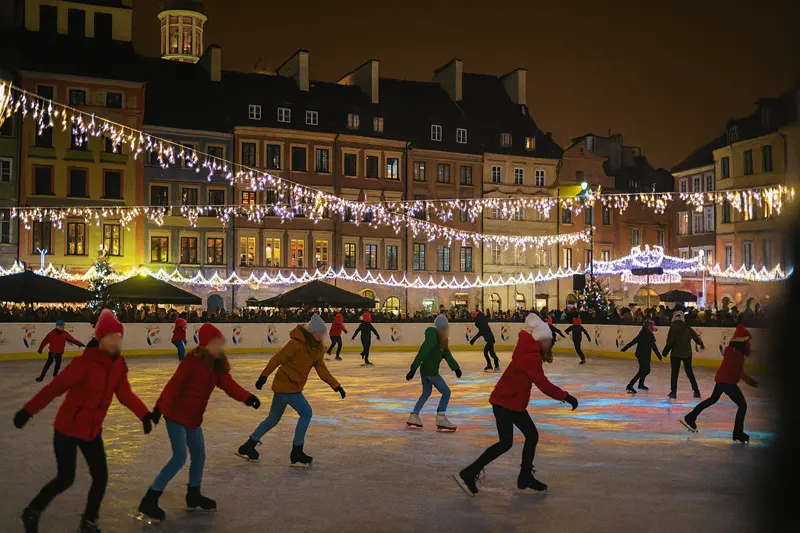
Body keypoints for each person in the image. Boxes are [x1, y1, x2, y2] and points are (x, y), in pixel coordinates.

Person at [13, 309, 154, 533]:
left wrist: (144, 415)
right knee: (65, 478)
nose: (116, 341)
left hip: (92, 430)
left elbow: (125, 394)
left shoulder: (118, 365)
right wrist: (28, 411)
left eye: (119, 336)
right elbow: (54, 389)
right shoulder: (85, 363)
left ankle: (89, 521)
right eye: (111, 336)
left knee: (101, 477)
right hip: (67, 428)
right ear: (100, 339)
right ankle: (32, 511)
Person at [136, 323, 261, 523]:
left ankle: (193, 494)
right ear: (205, 344)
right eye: (216, 343)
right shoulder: (191, 362)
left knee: (199, 456)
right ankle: (150, 499)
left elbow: (229, 385)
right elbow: (173, 385)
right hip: (175, 415)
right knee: (179, 457)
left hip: (193, 418)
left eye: (221, 343)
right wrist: (160, 407)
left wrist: (247, 397)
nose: (220, 347)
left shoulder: (216, 365)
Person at [455, 313, 578, 496]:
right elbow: (543, 383)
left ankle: (523, 476)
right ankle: (472, 472)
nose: (551, 344)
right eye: (550, 341)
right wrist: (566, 396)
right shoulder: (530, 356)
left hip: (512, 402)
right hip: (506, 402)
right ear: (542, 339)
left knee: (528, 436)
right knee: (508, 442)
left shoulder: (529, 351)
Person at [237, 314, 346, 466]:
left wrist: (336, 386)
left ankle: (249, 445)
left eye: (324, 333)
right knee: (306, 412)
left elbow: (322, 371)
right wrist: (263, 376)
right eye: (321, 333)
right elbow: (277, 359)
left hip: (289, 387)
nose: (323, 335)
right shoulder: (296, 344)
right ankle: (297, 450)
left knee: (273, 419)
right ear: (313, 332)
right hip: (287, 386)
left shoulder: (316, 349)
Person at [680, 325, 758, 444]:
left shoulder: (731, 350)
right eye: (748, 342)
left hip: (721, 379)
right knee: (742, 406)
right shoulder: (737, 354)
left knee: (712, 399)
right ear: (743, 342)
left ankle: (691, 417)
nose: (749, 344)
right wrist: (749, 380)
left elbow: (735, 369)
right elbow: (737, 371)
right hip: (728, 382)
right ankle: (738, 433)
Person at [405, 314, 462, 431]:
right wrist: (413, 369)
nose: (446, 330)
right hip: (431, 371)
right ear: (440, 327)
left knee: (426, 392)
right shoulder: (433, 337)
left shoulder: (441, 340)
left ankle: (414, 415)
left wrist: (455, 367)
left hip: (425, 370)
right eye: (444, 327)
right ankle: (441, 416)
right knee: (446, 392)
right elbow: (423, 352)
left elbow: (447, 354)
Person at [663, 311, 704, 399]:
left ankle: (673, 392)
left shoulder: (673, 327)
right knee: (689, 372)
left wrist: (665, 351)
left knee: (674, 373)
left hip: (675, 354)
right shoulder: (687, 327)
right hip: (687, 353)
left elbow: (670, 341)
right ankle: (696, 391)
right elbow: (695, 337)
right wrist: (701, 344)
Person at [621, 320, 662, 394]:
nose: (653, 327)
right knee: (643, 370)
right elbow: (634, 341)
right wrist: (625, 348)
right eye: (652, 326)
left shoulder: (650, 334)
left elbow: (653, 345)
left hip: (646, 354)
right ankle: (630, 385)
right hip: (641, 354)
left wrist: (658, 354)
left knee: (647, 370)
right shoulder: (643, 334)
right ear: (648, 327)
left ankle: (641, 384)